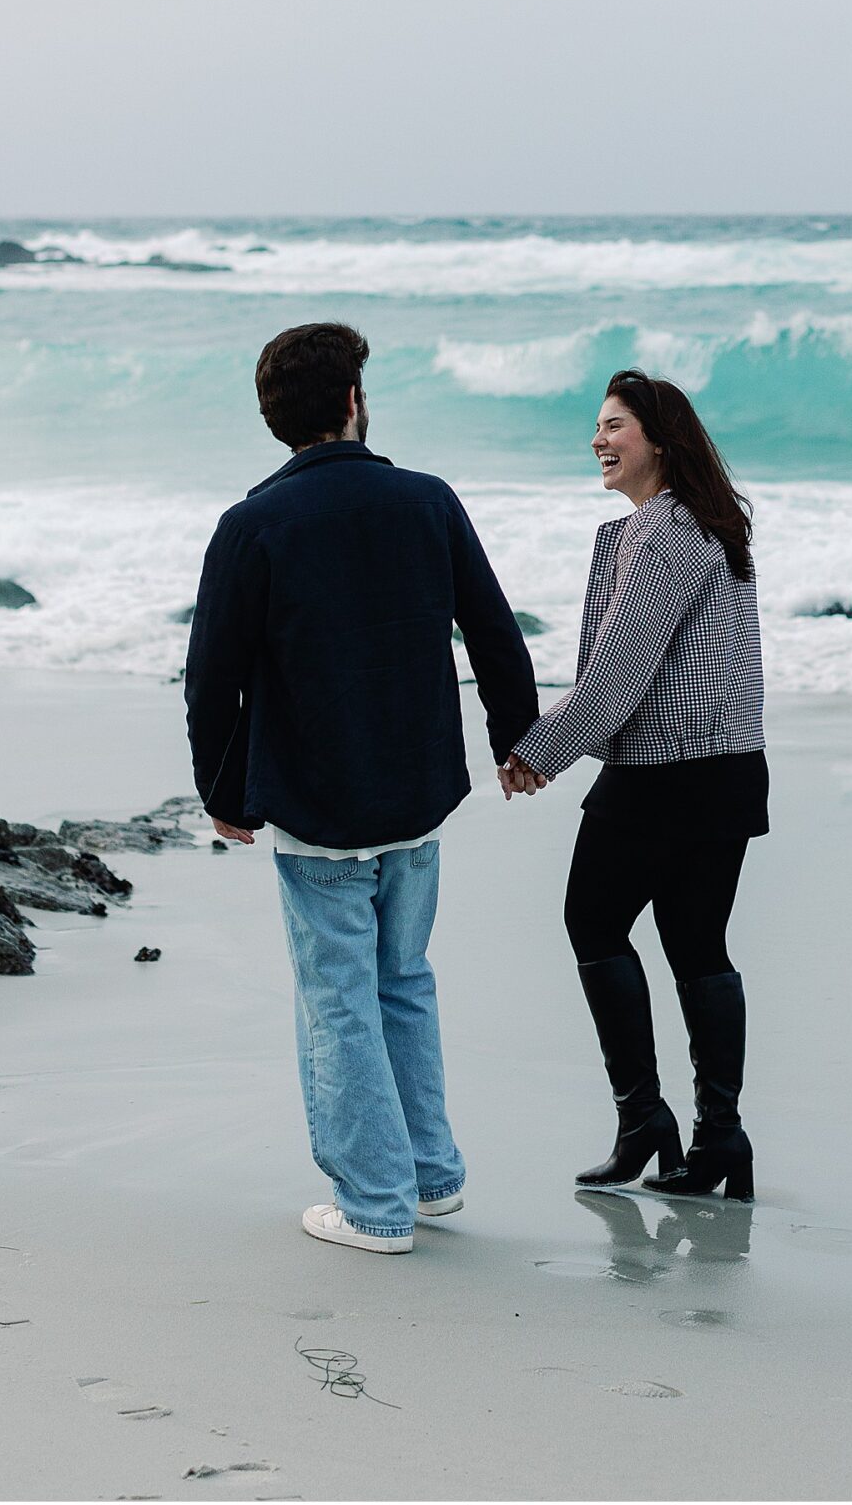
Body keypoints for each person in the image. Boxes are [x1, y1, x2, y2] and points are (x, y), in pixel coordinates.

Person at [184, 320, 538, 1256]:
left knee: (339, 995)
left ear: (276, 417)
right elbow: (493, 632)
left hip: (317, 798)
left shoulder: (252, 524)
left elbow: (211, 676)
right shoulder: (425, 500)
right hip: (416, 789)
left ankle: (376, 1206)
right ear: (352, 402)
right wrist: (515, 741)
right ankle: (428, 1177)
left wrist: (222, 791)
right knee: (403, 980)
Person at [501, 369, 767, 1201]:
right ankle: (718, 1138)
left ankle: (644, 1119)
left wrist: (541, 749)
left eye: (614, 425)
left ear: (659, 437)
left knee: (592, 921)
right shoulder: (712, 526)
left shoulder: (660, 534)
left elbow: (619, 673)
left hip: (665, 771)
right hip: (727, 769)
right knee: (697, 948)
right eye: (597, 425)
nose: (598, 440)